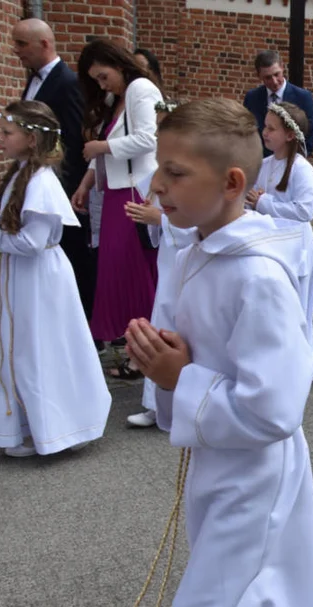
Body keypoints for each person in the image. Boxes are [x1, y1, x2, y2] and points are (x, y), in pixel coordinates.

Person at [120, 98, 313, 607]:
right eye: (157, 169)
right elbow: (195, 356)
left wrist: (180, 377)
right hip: (218, 466)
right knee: (259, 602)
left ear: (232, 184)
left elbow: (276, 408)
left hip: (255, 474)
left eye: (174, 172)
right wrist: (164, 363)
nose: (156, 185)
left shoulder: (257, 276)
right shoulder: (199, 251)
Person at [0, 101, 110, 457]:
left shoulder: (41, 182)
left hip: (40, 279)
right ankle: (30, 427)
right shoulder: (19, 173)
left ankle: (63, 428)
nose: (1, 137)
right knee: (22, 349)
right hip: (22, 278)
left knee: (44, 350)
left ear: (30, 138)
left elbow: (33, 242)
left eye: (7, 132)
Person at [72, 39, 163, 368]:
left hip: (134, 191)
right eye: (95, 79)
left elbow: (148, 138)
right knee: (116, 273)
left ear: (118, 63)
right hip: (113, 192)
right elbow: (103, 150)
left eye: (102, 75)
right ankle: (134, 348)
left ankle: (146, 350)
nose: (101, 83)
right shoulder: (116, 99)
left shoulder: (141, 88)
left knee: (134, 273)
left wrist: (99, 148)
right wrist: (86, 183)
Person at [12, 19, 96, 320]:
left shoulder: (67, 82)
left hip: (61, 185)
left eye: (22, 43)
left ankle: (83, 321)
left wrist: (73, 189)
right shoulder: (33, 80)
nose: (16, 50)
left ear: (44, 43)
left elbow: (73, 137)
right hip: (35, 178)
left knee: (74, 256)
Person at [126, 100, 195, 430]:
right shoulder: (162, 169)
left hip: (187, 260)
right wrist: (151, 217)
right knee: (163, 318)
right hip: (169, 259)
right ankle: (156, 404)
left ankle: (182, 399)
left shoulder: (195, 168)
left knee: (182, 325)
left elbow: (198, 224)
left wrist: (162, 220)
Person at [248, 101, 313, 368]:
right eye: (264, 126)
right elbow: (253, 197)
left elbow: (304, 211)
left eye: (271, 128)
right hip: (271, 243)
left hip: (296, 247)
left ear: (290, 134)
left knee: (297, 307)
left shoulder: (301, 168)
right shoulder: (265, 165)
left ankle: (301, 365)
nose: (264, 132)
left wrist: (263, 203)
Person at [242, 50, 313, 157]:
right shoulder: (252, 98)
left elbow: (309, 134)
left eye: (277, 74)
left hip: (291, 163)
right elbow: (247, 132)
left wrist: (295, 159)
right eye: (268, 77)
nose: (274, 81)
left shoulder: (303, 97)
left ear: (282, 67)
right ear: (259, 76)